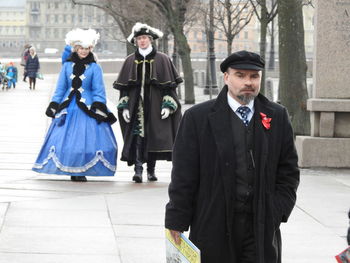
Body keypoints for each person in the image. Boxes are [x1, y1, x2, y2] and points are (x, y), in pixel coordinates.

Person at [165, 50, 300, 263]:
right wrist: (177, 218)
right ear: (226, 77)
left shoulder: (277, 115)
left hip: (260, 226)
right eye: (240, 75)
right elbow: (184, 174)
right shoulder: (197, 118)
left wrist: (276, 210)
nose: (248, 82)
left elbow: (288, 171)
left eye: (254, 76)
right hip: (213, 222)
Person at [32, 28, 118, 182]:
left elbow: (99, 90)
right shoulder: (67, 66)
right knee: (64, 140)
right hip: (68, 107)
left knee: (86, 140)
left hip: (88, 108)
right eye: (81, 48)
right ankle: (70, 167)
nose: (84, 51)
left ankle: (81, 169)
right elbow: (61, 88)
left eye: (87, 48)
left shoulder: (95, 67)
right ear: (76, 48)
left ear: (90, 49)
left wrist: (99, 106)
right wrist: (54, 104)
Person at [113, 22, 182, 183]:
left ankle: (151, 170)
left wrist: (168, 105)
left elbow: (169, 88)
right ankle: (138, 170)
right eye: (139, 38)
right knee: (137, 137)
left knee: (154, 137)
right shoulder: (130, 60)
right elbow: (124, 88)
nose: (142, 41)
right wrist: (124, 107)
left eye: (144, 38)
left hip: (156, 105)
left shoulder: (163, 59)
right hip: (136, 106)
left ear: (151, 39)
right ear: (135, 41)